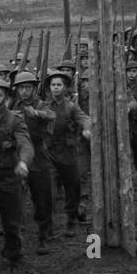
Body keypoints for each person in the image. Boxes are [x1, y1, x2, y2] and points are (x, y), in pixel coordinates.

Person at [0, 77, 33, 274]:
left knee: (12, 225)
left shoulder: (14, 119)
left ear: (7, 98)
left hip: (9, 178)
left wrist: (23, 162)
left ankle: (14, 260)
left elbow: (25, 144)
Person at [11, 70, 55, 253]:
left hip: (38, 155)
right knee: (16, 196)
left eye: (27, 88)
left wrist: (36, 113)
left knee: (41, 196)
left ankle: (44, 234)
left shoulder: (41, 104)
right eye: (21, 88)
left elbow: (51, 115)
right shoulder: (13, 105)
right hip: (18, 155)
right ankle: (17, 233)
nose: (24, 92)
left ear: (34, 88)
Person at [44, 70, 90, 233]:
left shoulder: (71, 107)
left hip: (68, 153)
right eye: (53, 85)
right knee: (48, 191)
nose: (56, 88)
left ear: (65, 88)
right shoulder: (44, 106)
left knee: (73, 187)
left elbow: (85, 118)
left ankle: (71, 219)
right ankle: (48, 226)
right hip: (49, 154)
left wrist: (86, 128)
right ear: (49, 88)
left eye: (59, 85)